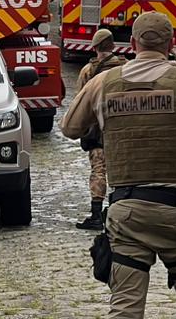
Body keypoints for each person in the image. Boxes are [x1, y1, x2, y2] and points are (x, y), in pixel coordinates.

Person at [61, 11, 176, 319]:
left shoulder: (105, 82)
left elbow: (69, 127)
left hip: (126, 213)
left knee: (125, 309)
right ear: (171, 45)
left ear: (131, 43)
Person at [74, 28, 128, 230]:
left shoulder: (88, 71)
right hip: (122, 128)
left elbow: (81, 102)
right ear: (113, 45)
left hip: (98, 130)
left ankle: (97, 214)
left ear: (95, 47)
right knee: (122, 171)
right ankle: (119, 212)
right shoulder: (125, 67)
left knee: (99, 170)